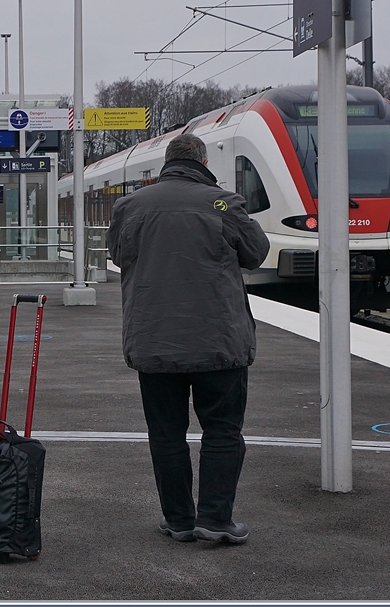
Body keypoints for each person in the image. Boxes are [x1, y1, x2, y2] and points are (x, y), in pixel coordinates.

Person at [107, 133, 269, 545]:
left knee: (166, 435)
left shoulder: (130, 206)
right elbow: (256, 253)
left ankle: (179, 520)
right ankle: (215, 519)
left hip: (155, 342)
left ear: (166, 163)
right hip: (220, 343)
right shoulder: (223, 203)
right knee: (222, 432)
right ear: (203, 162)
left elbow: (117, 255)